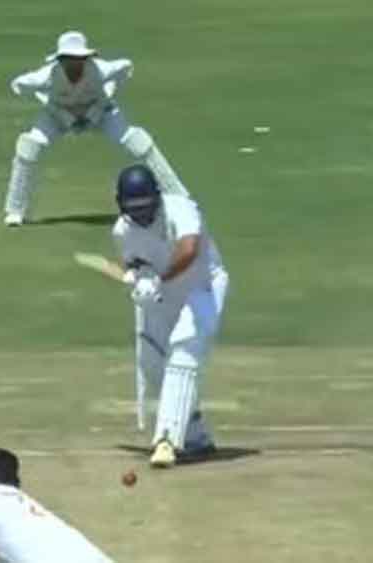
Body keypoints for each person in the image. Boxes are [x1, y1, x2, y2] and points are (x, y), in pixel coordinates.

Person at [2, 30, 187, 227]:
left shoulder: (101, 69)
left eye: (79, 59)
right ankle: (15, 210)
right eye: (69, 59)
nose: (74, 64)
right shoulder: (46, 76)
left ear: (86, 58)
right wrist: (55, 108)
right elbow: (18, 85)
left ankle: (179, 196)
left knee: (138, 142)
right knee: (28, 146)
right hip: (58, 116)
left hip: (101, 112)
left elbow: (126, 68)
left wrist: (106, 97)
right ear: (60, 60)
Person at [111, 164, 228, 468]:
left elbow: (189, 249)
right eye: (134, 209)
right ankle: (196, 437)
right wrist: (137, 278)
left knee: (183, 352)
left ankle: (166, 440)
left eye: (146, 207)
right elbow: (134, 261)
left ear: (157, 197)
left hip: (203, 286)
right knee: (153, 364)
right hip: (165, 293)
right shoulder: (122, 230)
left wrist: (158, 279)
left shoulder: (181, 209)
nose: (142, 215)